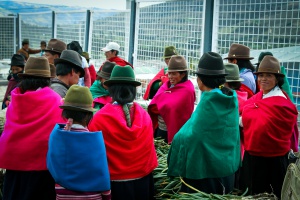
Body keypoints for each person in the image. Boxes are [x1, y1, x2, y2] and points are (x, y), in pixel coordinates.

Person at [167, 52, 241, 194]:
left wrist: (176, 142)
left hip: (206, 174)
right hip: (227, 170)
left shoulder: (210, 101)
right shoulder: (229, 97)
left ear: (201, 80)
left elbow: (192, 136)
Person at [88, 66, 158, 200]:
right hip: (142, 183)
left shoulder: (100, 118)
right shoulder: (144, 116)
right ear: (133, 89)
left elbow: (92, 153)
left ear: (111, 89)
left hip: (113, 186)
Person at [0, 57, 64, 200]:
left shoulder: (16, 100)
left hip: (14, 167)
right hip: (42, 169)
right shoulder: (55, 100)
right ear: (48, 79)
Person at [239, 55, 298, 198]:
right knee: (252, 194)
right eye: (260, 75)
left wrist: (243, 119)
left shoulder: (282, 104)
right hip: (252, 157)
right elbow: (248, 114)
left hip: (273, 161)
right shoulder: (258, 97)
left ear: (277, 79)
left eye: (268, 76)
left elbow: (257, 122)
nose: (263, 79)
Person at [47, 85, 111, 200]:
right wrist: (107, 196)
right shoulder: (95, 140)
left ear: (65, 113)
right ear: (88, 115)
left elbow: (51, 165)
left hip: (63, 195)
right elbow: (102, 174)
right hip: (92, 196)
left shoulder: (56, 136)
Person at [148, 55, 195, 144]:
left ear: (183, 74)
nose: (170, 77)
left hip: (176, 134)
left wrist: (163, 107)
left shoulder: (188, 91)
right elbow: (154, 105)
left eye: (174, 74)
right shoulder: (166, 86)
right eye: (169, 73)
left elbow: (180, 113)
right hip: (160, 130)